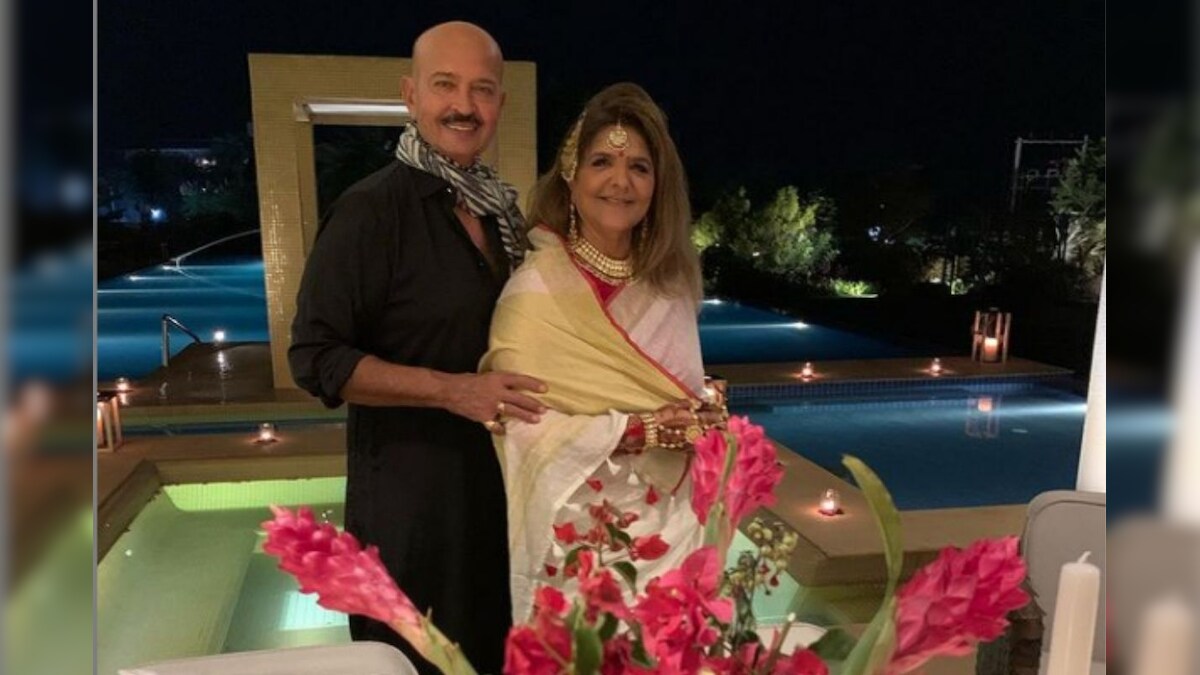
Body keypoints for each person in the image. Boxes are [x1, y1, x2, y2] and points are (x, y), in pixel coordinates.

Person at [288, 21, 546, 674]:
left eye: (482, 89)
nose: (464, 105)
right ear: (410, 95)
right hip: (413, 515)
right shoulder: (371, 212)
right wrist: (453, 390)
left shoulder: (500, 212)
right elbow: (315, 357)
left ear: (500, 104)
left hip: (495, 499)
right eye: (445, 85)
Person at [480, 83, 726, 621]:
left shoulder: (669, 288)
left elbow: (682, 394)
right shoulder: (533, 291)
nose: (620, 181)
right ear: (571, 176)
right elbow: (515, 421)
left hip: (671, 527)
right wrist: (636, 430)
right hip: (575, 536)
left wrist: (704, 415)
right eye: (601, 162)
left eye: (639, 167)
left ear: (657, 186)